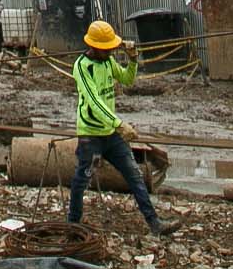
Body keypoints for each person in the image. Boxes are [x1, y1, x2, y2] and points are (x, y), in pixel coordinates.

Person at [67, 20, 179, 236]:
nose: (110, 50)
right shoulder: (82, 66)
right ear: (95, 47)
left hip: (111, 134)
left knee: (134, 175)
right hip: (91, 134)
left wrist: (133, 59)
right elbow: (93, 101)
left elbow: (127, 79)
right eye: (107, 47)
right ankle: (72, 225)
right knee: (82, 178)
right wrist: (120, 124)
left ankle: (154, 223)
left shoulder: (108, 62)